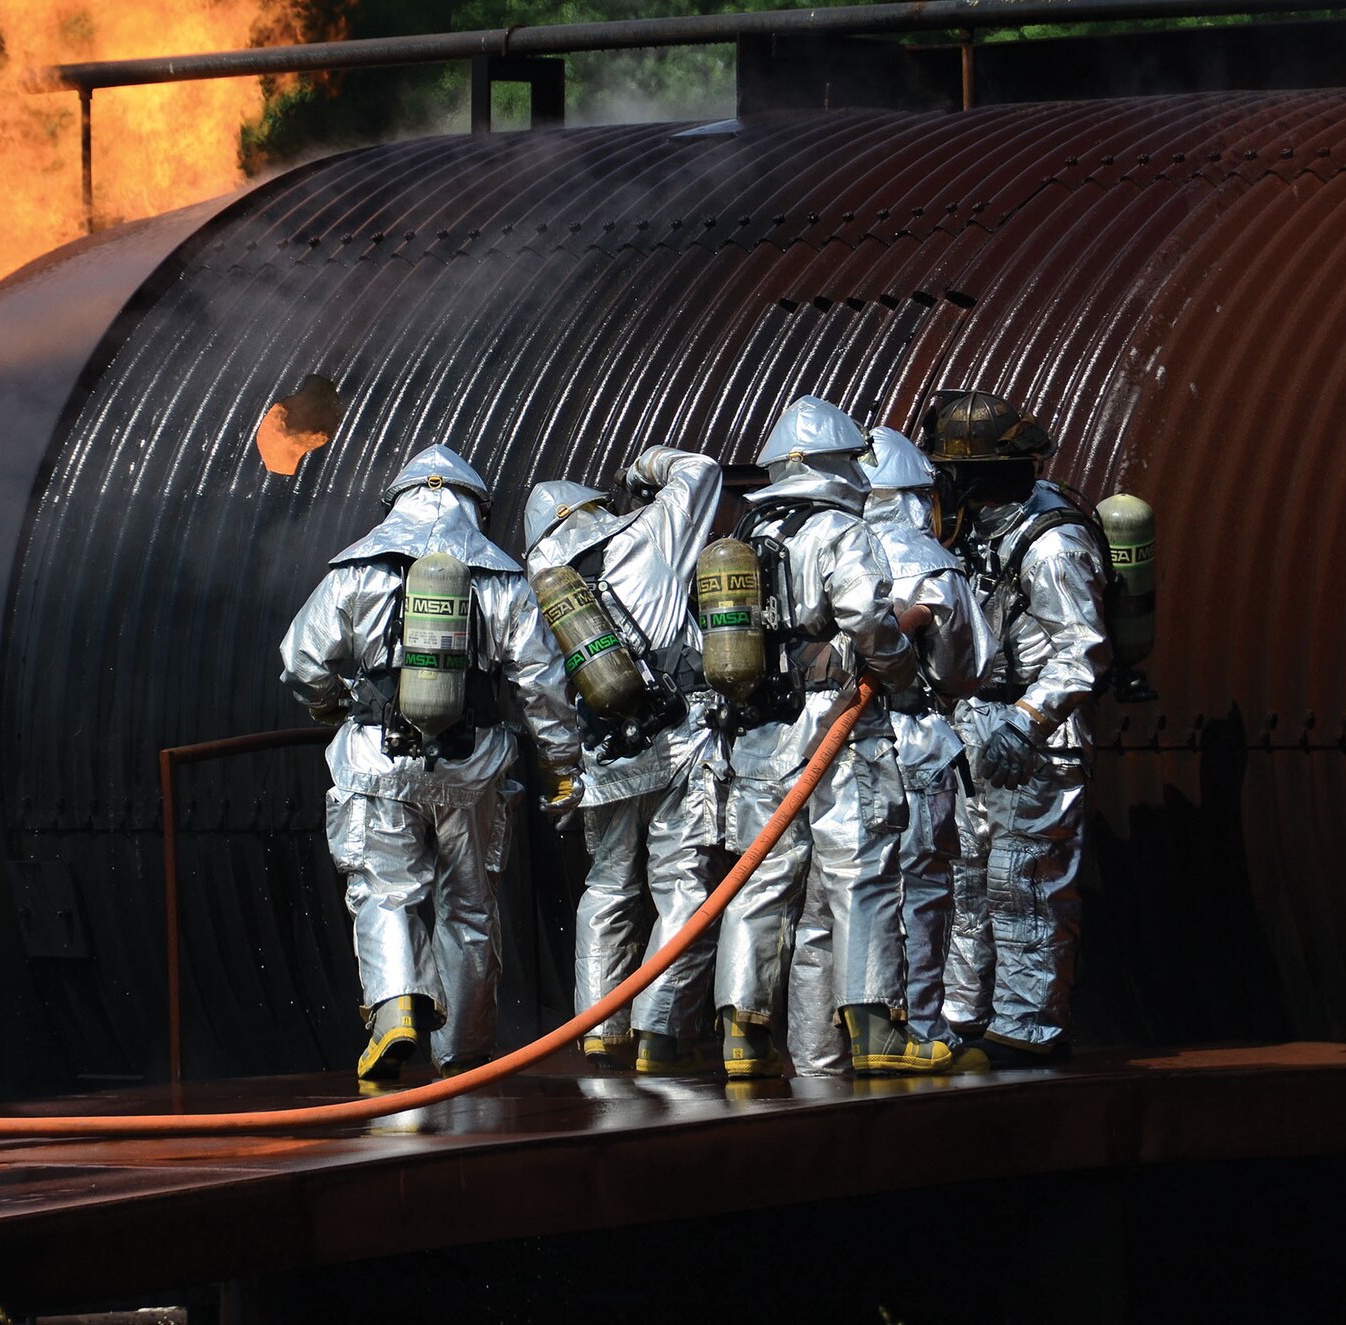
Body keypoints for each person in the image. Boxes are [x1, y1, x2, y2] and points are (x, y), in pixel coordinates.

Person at [280, 444, 582, 1083]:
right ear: (477, 507)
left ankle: (396, 1010)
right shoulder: (501, 580)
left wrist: (333, 707)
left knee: (384, 890)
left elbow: (302, 660)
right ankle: (465, 1051)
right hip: (471, 768)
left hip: (375, 761)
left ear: (398, 502)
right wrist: (561, 764)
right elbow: (543, 686)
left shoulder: (356, 571)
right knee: (469, 905)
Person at [714, 395, 949, 1079]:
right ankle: (877, 1033)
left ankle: (742, 1040)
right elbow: (866, 618)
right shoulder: (841, 529)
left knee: (757, 884)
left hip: (760, 732)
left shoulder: (746, 531)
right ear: (835, 464)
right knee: (860, 874)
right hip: (837, 729)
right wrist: (898, 667)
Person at [785, 425, 995, 1075]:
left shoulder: (818, 539)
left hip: (823, 741)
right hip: (910, 748)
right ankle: (919, 1031)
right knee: (918, 898)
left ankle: (817, 1056)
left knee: (825, 907)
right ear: (913, 493)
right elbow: (966, 667)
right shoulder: (927, 560)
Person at [923, 391, 1111, 1069]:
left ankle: (1027, 1030)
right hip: (978, 723)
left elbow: (1083, 648)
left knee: (1024, 881)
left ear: (975, 474)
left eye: (949, 469)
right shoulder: (981, 529)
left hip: (1035, 737)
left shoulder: (1052, 544)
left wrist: (1026, 725)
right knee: (968, 879)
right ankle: (967, 1018)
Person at [524, 447, 725, 1075]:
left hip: (604, 754)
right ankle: (660, 1030)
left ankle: (598, 1027)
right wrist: (646, 468)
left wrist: (567, 768)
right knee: (681, 883)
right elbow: (703, 472)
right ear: (598, 512)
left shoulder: (535, 586)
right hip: (678, 742)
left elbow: (541, 689)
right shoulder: (649, 532)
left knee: (607, 886)